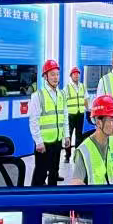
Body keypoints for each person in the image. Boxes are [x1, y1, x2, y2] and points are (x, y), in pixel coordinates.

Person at [28, 59, 69, 187]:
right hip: (44, 143)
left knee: (54, 171)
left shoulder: (62, 94)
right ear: (45, 76)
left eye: (57, 74)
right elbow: (33, 121)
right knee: (40, 173)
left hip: (57, 140)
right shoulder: (38, 95)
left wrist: (67, 135)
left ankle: (52, 195)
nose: (56, 77)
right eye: (52, 74)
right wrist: (38, 141)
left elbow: (65, 117)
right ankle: (35, 195)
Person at [64, 66, 87, 162]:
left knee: (79, 135)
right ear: (71, 76)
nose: (76, 75)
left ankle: (77, 155)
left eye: (77, 74)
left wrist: (87, 110)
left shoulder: (82, 86)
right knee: (68, 135)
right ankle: (67, 156)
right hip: (71, 115)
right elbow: (64, 102)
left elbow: (85, 99)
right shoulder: (67, 87)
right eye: (74, 74)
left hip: (80, 114)